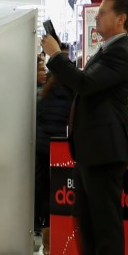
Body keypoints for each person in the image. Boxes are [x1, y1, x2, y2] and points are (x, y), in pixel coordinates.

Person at [41, 0, 128, 255]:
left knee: (105, 226)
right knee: (88, 223)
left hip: (105, 150)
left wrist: (56, 56)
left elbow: (83, 84)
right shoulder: (106, 50)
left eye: (103, 13)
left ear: (121, 19)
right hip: (91, 149)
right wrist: (61, 61)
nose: (97, 17)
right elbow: (82, 87)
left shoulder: (121, 53)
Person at [35, 56, 73, 240]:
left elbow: (39, 117)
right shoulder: (70, 94)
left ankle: (40, 227)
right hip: (59, 149)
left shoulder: (46, 92)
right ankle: (52, 229)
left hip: (41, 147)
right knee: (57, 190)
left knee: (41, 188)